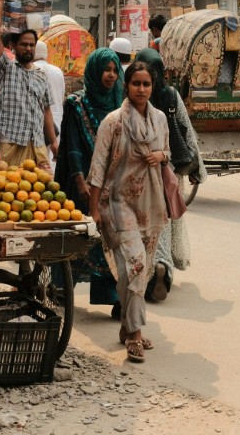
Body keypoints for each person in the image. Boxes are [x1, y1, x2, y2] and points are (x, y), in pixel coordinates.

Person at [88, 60, 170, 363]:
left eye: (146, 84)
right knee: (135, 264)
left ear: (152, 87)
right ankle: (135, 335)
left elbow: (168, 153)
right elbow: (97, 166)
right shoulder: (113, 122)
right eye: (136, 83)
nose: (142, 89)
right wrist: (94, 208)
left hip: (150, 203)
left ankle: (126, 326)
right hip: (117, 202)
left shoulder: (159, 119)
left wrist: (161, 155)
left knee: (139, 270)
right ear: (127, 85)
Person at [55, 48, 124, 316]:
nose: (110, 75)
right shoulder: (76, 104)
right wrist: (81, 180)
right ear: (95, 71)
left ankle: (116, 297)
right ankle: (61, 288)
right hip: (81, 181)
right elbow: (71, 145)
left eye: (114, 70)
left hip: (113, 184)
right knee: (79, 236)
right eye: (106, 69)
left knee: (111, 239)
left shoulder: (120, 102)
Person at [135, 47, 203, 303]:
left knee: (146, 225)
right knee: (165, 223)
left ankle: (152, 271)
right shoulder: (172, 96)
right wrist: (196, 170)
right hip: (170, 171)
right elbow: (187, 133)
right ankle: (162, 266)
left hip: (141, 170)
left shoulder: (136, 95)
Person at [0, 0, 58, 168]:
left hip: (37, 144)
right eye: (23, 44)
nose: (28, 48)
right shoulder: (5, 68)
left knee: (44, 193)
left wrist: (53, 142)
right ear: (13, 46)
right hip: (11, 143)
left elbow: (46, 111)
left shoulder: (41, 75)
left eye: (31, 45)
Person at [33, 41, 65, 138]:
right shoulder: (58, 71)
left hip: (39, 123)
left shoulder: (32, 69)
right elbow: (62, 95)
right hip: (57, 119)